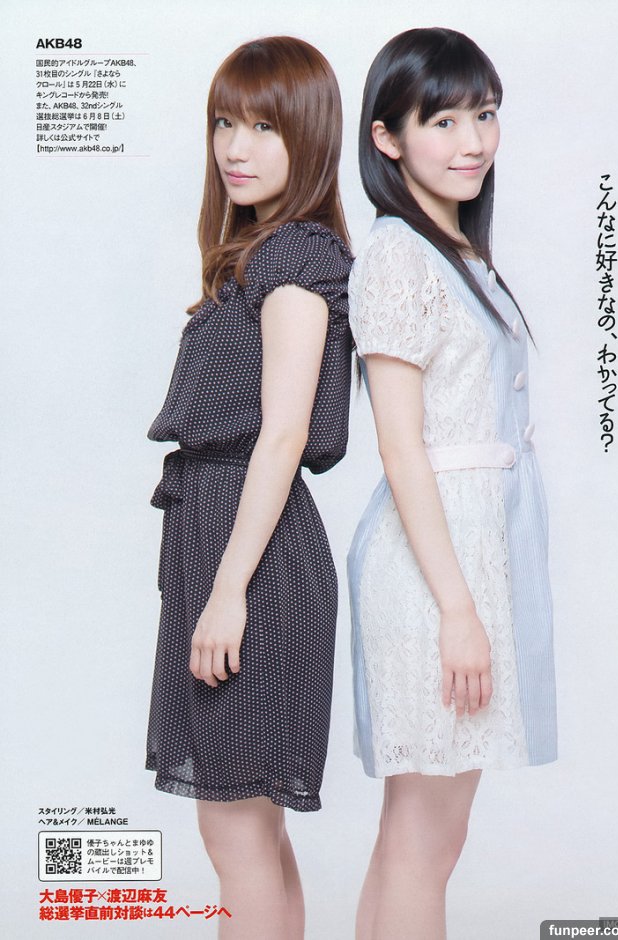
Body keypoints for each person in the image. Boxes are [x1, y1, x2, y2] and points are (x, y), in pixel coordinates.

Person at [347, 27, 557, 939]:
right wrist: (459, 611)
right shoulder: (399, 254)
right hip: (435, 570)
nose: (473, 141)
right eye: (443, 121)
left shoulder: (454, 251)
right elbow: (401, 450)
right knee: (422, 840)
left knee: (423, 837)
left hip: (466, 556)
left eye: (485, 114)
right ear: (387, 138)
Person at [145, 36, 352, 940]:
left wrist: (227, 591)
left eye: (265, 127)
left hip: (253, 560)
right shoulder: (255, 255)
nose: (236, 146)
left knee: (236, 834)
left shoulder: (296, 258)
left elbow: (285, 433)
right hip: (227, 541)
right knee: (252, 835)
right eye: (225, 123)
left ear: (310, 137)